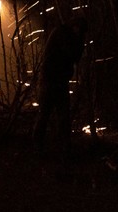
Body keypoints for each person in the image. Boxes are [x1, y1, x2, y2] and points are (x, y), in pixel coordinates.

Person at [32, 17, 87, 150]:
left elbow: (74, 56)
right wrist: (80, 40)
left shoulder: (64, 33)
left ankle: (61, 147)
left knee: (60, 116)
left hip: (58, 80)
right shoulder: (63, 34)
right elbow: (73, 55)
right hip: (51, 80)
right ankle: (39, 146)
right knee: (48, 114)